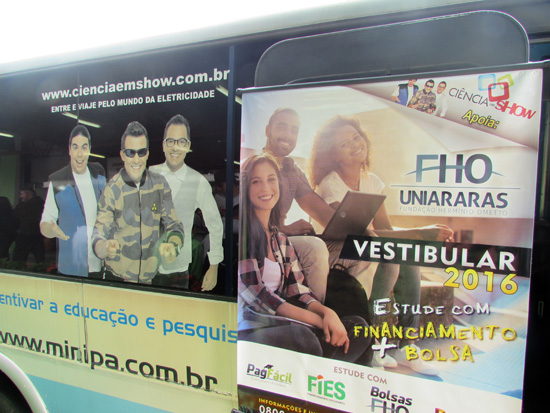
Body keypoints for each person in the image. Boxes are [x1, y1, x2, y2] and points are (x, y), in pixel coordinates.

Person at [309, 115, 454, 375]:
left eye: (356, 137)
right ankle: (374, 342)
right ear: (335, 155)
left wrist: (419, 236)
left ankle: (406, 346)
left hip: (364, 246)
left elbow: (384, 228)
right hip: (334, 252)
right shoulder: (331, 184)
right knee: (387, 257)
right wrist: (421, 232)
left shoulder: (372, 181)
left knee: (407, 255)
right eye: (344, 144)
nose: (355, 145)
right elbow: (357, 232)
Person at [238, 153, 370, 362]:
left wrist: (328, 314)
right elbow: (259, 297)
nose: (266, 188)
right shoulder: (241, 235)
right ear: (246, 188)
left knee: (358, 328)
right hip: (251, 327)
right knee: (303, 338)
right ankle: (321, 367)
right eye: (256, 182)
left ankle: (319, 371)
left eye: (271, 179)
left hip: (283, 323)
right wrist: (318, 321)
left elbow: (298, 290)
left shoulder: (280, 239)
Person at [92, 121, 184, 284]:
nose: (136, 159)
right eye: (130, 153)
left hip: (149, 280)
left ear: (147, 154)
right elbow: (98, 233)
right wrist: (103, 248)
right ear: (122, 155)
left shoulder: (159, 185)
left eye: (141, 152)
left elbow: (174, 226)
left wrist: (173, 245)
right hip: (118, 279)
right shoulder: (112, 189)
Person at [262, 108, 335, 302]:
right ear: (268, 130)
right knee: (314, 247)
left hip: (283, 241)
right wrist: (284, 229)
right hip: (263, 242)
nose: (288, 135)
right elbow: (246, 221)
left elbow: (320, 211)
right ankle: (316, 314)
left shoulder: (292, 170)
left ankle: (354, 314)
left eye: (294, 130)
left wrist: (352, 224)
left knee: (354, 253)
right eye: (282, 127)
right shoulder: (253, 166)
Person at [150, 115, 223, 291]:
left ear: (188, 146)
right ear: (163, 145)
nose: (175, 147)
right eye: (171, 141)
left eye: (181, 142)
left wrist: (214, 266)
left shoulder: (197, 181)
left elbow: (215, 224)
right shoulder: (149, 175)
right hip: (146, 265)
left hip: (177, 269)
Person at [40, 125, 106, 277]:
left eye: (84, 147)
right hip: (71, 267)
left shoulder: (99, 173)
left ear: (89, 149)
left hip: (97, 264)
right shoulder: (58, 180)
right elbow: (45, 223)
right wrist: (52, 231)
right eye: (75, 147)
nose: (80, 153)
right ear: (69, 149)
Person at [13, 188, 45, 264]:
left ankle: (18, 269)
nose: (20, 196)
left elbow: (15, 217)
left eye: (22, 194)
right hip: (39, 234)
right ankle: (42, 269)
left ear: (29, 194)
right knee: (39, 256)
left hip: (25, 233)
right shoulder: (43, 204)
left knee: (19, 257)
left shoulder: (24, 206)